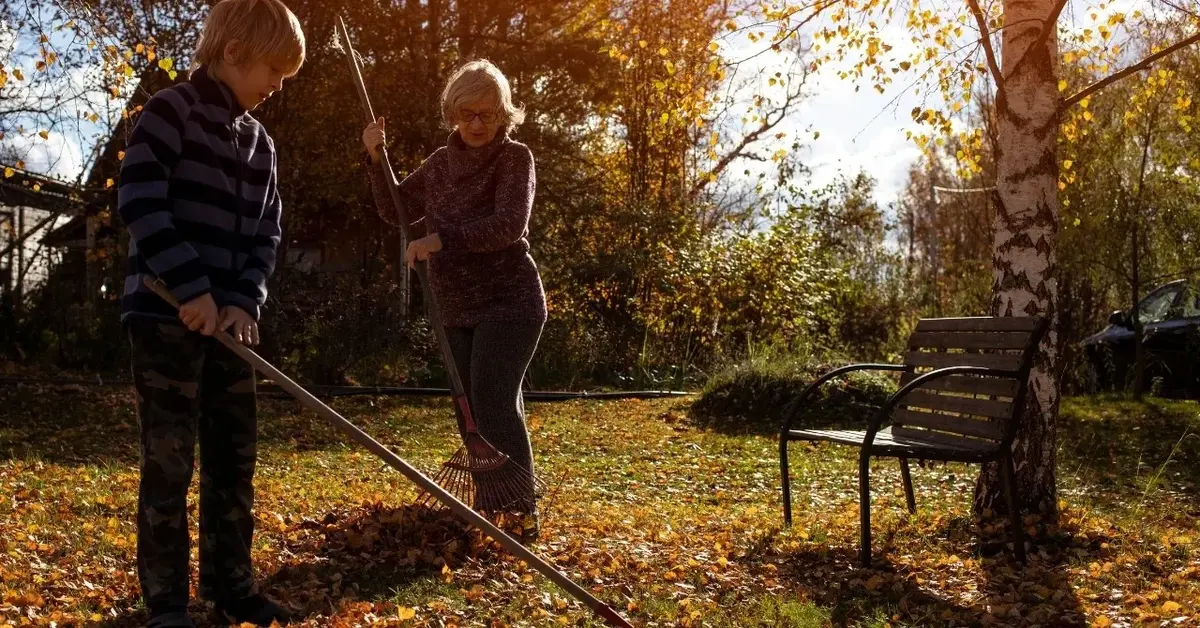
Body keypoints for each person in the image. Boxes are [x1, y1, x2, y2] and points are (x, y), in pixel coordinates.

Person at [116, 1, 305, 625]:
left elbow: (266, 236)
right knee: (169, 460)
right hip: (165, 317)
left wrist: (244, 300)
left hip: (229, 332)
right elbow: (140, 198)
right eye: (273, 70)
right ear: (233, 54)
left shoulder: (261, 144)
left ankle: (232, 586)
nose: (277, 86)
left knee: (234, 456)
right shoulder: (171, 113)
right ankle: (167, 601)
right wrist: (192, 285)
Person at [362, 59, 546, 536]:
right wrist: (376, 160)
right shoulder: (442, 163)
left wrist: (440, 239)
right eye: (467, 115)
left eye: (487, 114)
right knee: (470, 410)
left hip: (510, 301)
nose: (477, 125)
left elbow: (508, 225)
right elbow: (396, 211)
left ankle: (518, 516)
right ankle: (494, 508)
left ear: (504, 113)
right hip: (455, 305)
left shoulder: (514, 159)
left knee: (493, 401)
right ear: (453, 115)